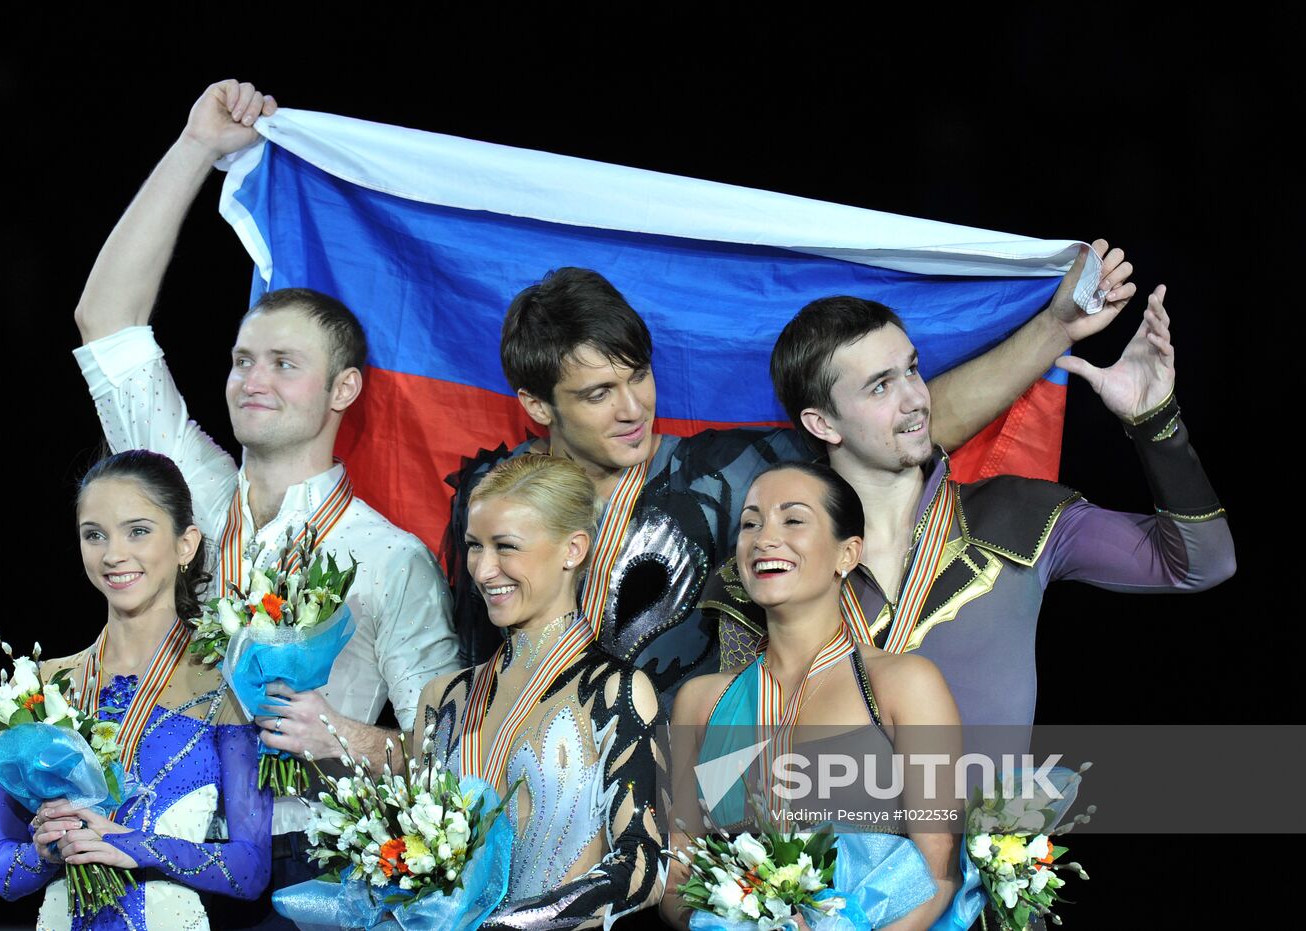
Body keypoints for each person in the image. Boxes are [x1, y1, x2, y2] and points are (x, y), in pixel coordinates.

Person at [70, 79, 459, 896]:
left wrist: (348, 734)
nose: (253, 379)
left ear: (343, 390)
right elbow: (106, 319)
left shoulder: (390, 558)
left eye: (285, 364)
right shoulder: (188, 491)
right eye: (244, 360)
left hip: (303, 871)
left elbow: (449, 749)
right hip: (152, 839)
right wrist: (195, 148)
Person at [448, 251, 1136, 704]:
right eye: (599, 394)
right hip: (532, 799)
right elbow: (471, 668)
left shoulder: (731, 471)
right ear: (539, 405)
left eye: (640, 377)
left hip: (684, 812)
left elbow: (905, 424)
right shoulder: (492, 500)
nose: (634, 409)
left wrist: (1054, 329)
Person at [754, 285, 1235, 730]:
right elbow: (730, 772)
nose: (916, 399)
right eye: (880, 386)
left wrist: (1155, 423)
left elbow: (1201, 564)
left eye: (912, 370)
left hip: (995, 826)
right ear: (822, 424)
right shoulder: (771, 565)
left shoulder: (1016, 513)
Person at [665, 462, 965, 930]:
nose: (764, 538)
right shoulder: (701, 702)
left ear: (847, 554)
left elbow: (939, 872)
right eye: (750, 523)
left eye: (793, 519)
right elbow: (677, 881)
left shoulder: (903, 684)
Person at [0, 450, 273, 929]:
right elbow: (2, 874)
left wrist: (126, 843)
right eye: (94, 535)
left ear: (186, 545)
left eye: (137, 531)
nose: (113, 554)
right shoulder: (44, 687)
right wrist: (46, 852)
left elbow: (250, 870)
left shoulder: (230, 683)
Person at [415, 455, 663, 928]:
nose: (484, 570)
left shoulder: (616, 691)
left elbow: (644, 866)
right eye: (473, 546)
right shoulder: (442, 698)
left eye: (506, 547)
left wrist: (515, 925)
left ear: (573, 549)